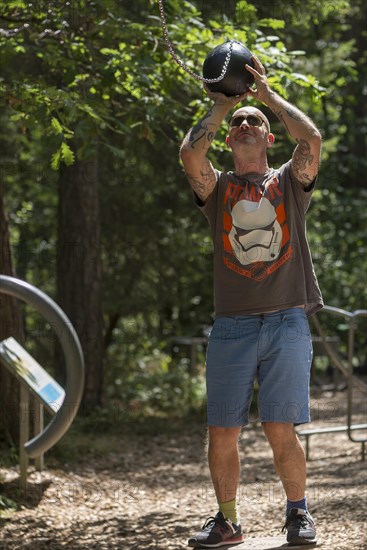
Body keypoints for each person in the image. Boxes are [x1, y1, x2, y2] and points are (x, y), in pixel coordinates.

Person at [179, 55, 323, 548]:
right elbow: (190, 157)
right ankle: (227, 520)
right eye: (238, 123)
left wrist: (265, 97)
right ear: (229, 135)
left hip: (286, 320)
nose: (244, 124)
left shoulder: (287, 181)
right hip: (232, 326)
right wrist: (223, 104)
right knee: (223, 429)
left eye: (253, 123)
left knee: (280, 426)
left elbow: (313, 141)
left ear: (268, 137)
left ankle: (298, 513)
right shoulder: (218, 188)